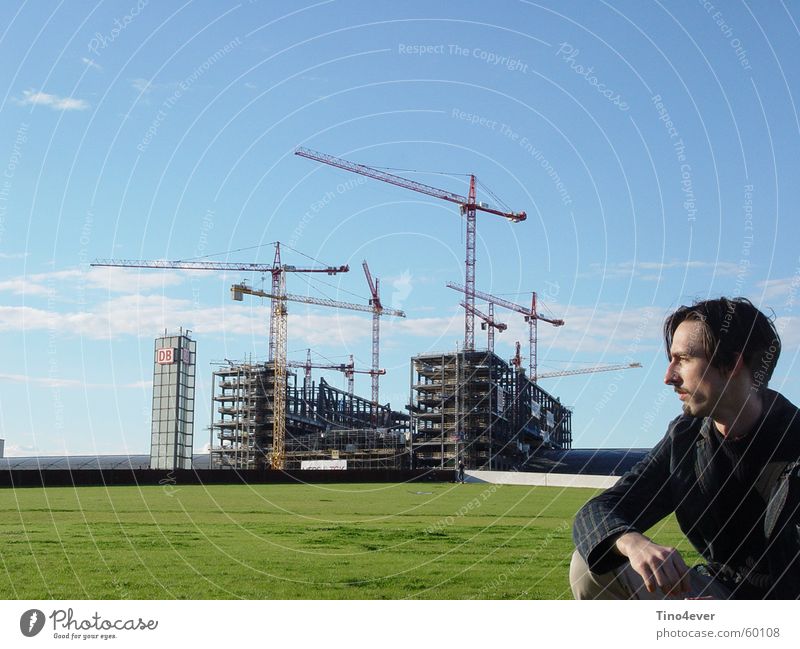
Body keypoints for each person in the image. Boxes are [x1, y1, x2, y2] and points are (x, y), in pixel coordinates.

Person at [570, 297, 800, 599]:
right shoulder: (686, 439)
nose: (668, 377)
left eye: (684, 359)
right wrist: (634, 544)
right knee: (592, 563)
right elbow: (599, 511)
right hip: (717, 592)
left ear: (732, 364)